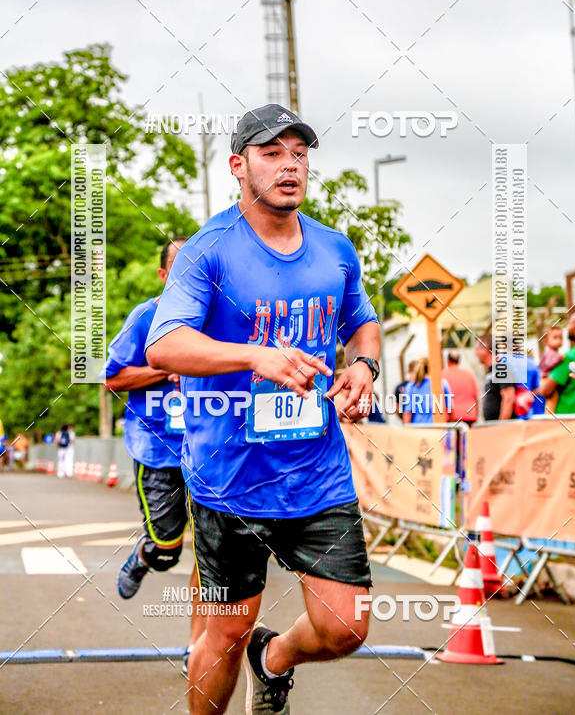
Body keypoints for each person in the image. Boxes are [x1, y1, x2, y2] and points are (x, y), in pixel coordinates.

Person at [145, 104, 381, 715]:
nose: (289, 166)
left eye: (299, 154)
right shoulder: (209, 250)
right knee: (223, 634)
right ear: (238, 165)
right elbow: (164, 343)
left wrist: (364, 366)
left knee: (346, 629)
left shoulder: (334, 249)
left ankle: (273, 659)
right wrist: (256, 357)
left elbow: (365, 325)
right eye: (272, 153)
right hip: (231, 482)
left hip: (317, 476)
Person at [104, 237, 203, 675]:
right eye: (179, 270)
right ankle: (145, 557)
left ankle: (199, 648)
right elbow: (112, 378)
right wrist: (168, 367)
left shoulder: (219, 317)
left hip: (209, 454)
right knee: (168, 547)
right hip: (157, 449)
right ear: (164, 276)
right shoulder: (147, 317)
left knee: (213, 559)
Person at [540, 312, 575, 414]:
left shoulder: (569, 356)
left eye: (570, 324)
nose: (567, 327)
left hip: (567, 418)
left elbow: (546, 390)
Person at [475, 334, 516, 420]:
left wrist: (501, 425)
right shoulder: (491, 371)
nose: (476, 354)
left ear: (485, 349)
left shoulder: (501, 369)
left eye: (477, 349)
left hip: (501, 428)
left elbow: (508, 398)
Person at [400, 357, 452, 424]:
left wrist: (406, 431)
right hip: (438, 429)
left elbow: (407, 414)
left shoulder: (411, 386)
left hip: (418, 430)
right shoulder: (442, 383)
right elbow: (450, 410)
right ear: (430, 368)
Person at [441, 351, 479, 425]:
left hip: (451, 417)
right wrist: (476, 415)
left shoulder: (442, 375)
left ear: (448, 361)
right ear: (458, 361)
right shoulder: (469, 375)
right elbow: (476, 397)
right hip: (469, 416)